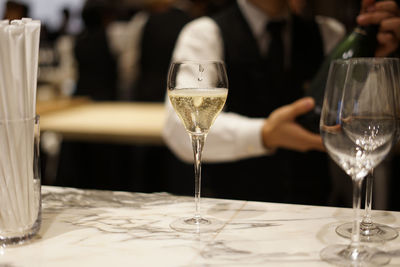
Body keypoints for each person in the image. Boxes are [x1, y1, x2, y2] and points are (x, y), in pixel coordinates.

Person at [162, 0, 400, 204]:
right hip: (228, 210)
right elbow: (179, 129)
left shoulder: (328, 33)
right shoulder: (205, 33)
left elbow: (365, 127)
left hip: (314, 212)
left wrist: (372, 62)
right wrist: (266, 134)